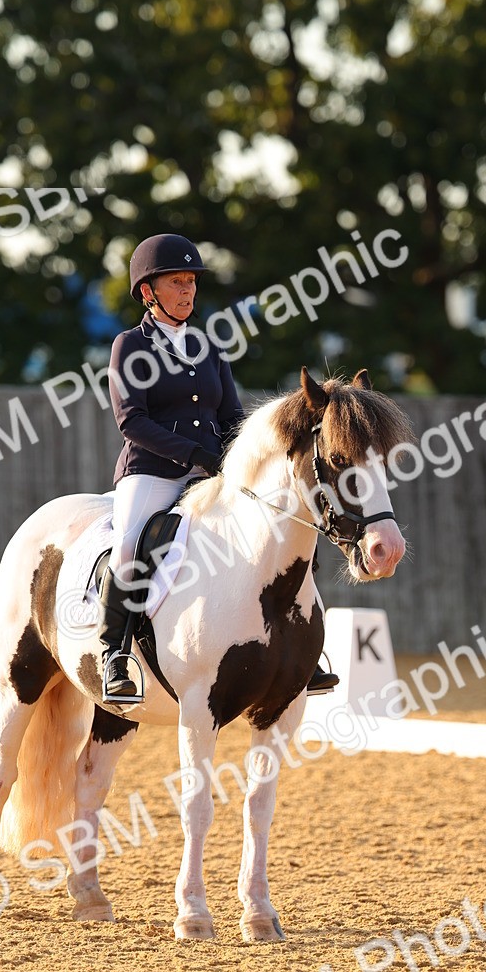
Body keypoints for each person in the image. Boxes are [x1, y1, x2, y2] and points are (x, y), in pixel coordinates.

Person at [99, 232, 338, 702]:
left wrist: (236, 456)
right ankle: (116, 654)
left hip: (214, 471)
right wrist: (194, 455)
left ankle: (305, 650)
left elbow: (231, 417)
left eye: (191, 282)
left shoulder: (208, 348)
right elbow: (132, 421)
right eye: (177, 283)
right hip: (152, 472)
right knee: (129, 545)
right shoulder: (129, 346)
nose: (188, 291)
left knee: (286, 530)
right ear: (148, 292)